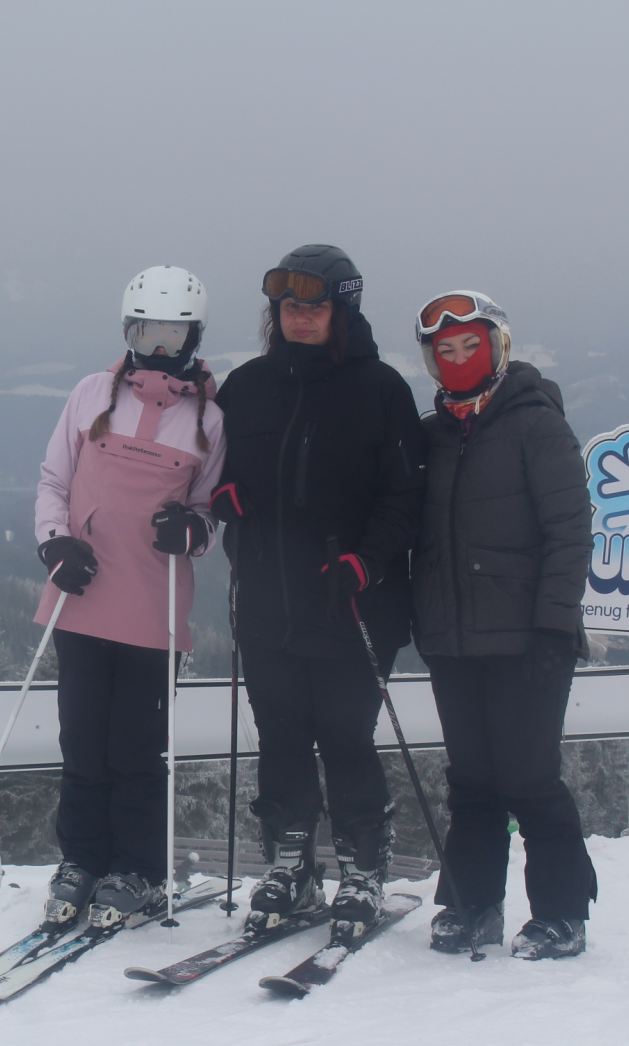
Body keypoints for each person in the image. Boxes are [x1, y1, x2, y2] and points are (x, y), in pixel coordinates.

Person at [208, 245, 424, 932]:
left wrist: (369, 561)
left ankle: (363, 868)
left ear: (343, 310)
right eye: (288, 307)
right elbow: (211, 466)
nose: (300, 317)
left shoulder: (381, 390)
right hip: (266, 602)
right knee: (280, 738)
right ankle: (291, 864)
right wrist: (223, 494)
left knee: (344, 738)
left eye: (315, 306)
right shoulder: (247, 386)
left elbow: (405, 497)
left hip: (352, 602)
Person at [34, 265, 226, 929]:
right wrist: (54, 544)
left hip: (152, 608)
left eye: (175, 334)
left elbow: (209, 510)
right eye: (148, 332)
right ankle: (81, 861)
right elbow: (54, 481)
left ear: (194, 337)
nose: (160, 347)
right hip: (83, 596)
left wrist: (193, 531)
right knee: (83, 741)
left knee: (136, 749)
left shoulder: (208, 420)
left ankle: (137, 869)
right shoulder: (91, 395)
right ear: (128, 331)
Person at [409, 290, 596, 960]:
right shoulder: (432, 436)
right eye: (446, 350)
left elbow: (570, 532)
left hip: (527, 639)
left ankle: (563, 914)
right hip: (453, 638)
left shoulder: (535, 423)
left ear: (497, 347)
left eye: (471, 345)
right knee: (472, 780)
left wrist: (554, 627)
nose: (459, 358)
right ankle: (472, 904)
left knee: (529, 778)